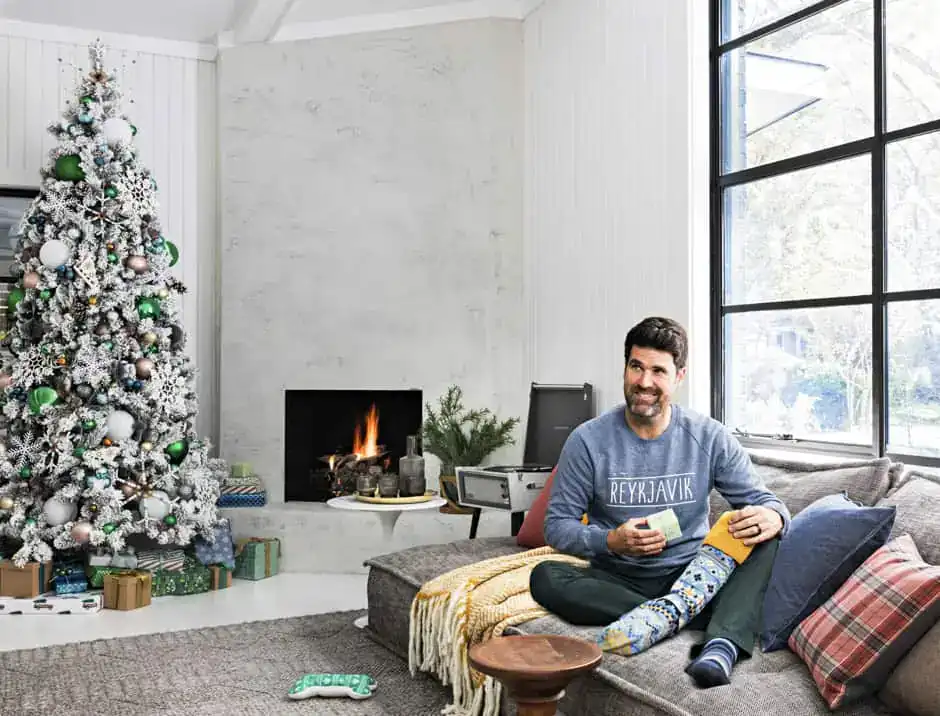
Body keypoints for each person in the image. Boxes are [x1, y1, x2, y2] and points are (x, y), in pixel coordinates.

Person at [529, 316, 790, 688]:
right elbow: (557, 526)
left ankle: (720, 644)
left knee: (764, 537)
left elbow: (763, 501)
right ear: (625, 368)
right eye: (636, 367)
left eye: (658, 371)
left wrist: (774, 515)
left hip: (695, 575)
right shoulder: (587, 441)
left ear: (679, 377)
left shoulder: (709, 437)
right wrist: (611, 540)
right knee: (545, 577)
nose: (644, 382)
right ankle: (682, 615)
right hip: (618, 579)